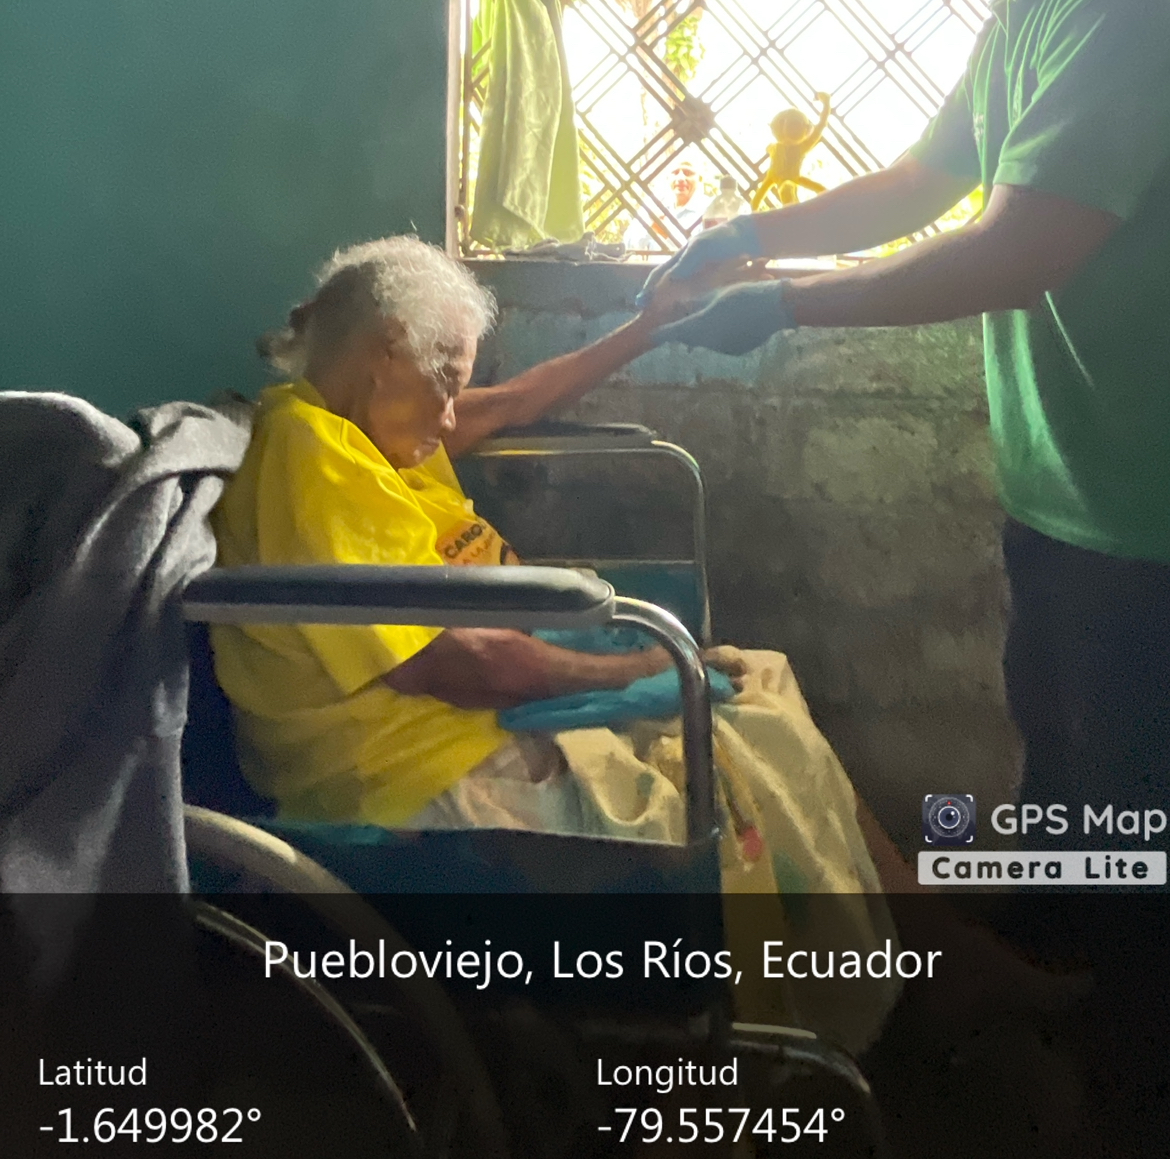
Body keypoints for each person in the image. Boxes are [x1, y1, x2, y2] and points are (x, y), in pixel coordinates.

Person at [644, 0, 1170, 826]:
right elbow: (925, 181)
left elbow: (1013, 253)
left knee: (1131, 817)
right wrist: (751, 234)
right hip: (1072, 488)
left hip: (1148, 506)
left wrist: (782, 309)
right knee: (1072, 785)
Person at [210, 236, 913, 915]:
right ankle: (886, 951)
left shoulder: (379, 426)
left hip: (481, 710)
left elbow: (517, 400)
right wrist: (643, 669)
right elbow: (455, 666)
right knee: (744, 753)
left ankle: (918, 921)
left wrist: (649, 327)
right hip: (417, 764)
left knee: (763, 689)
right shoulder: (318, 456)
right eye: (446, 383)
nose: (450, 417)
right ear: (388, 349)